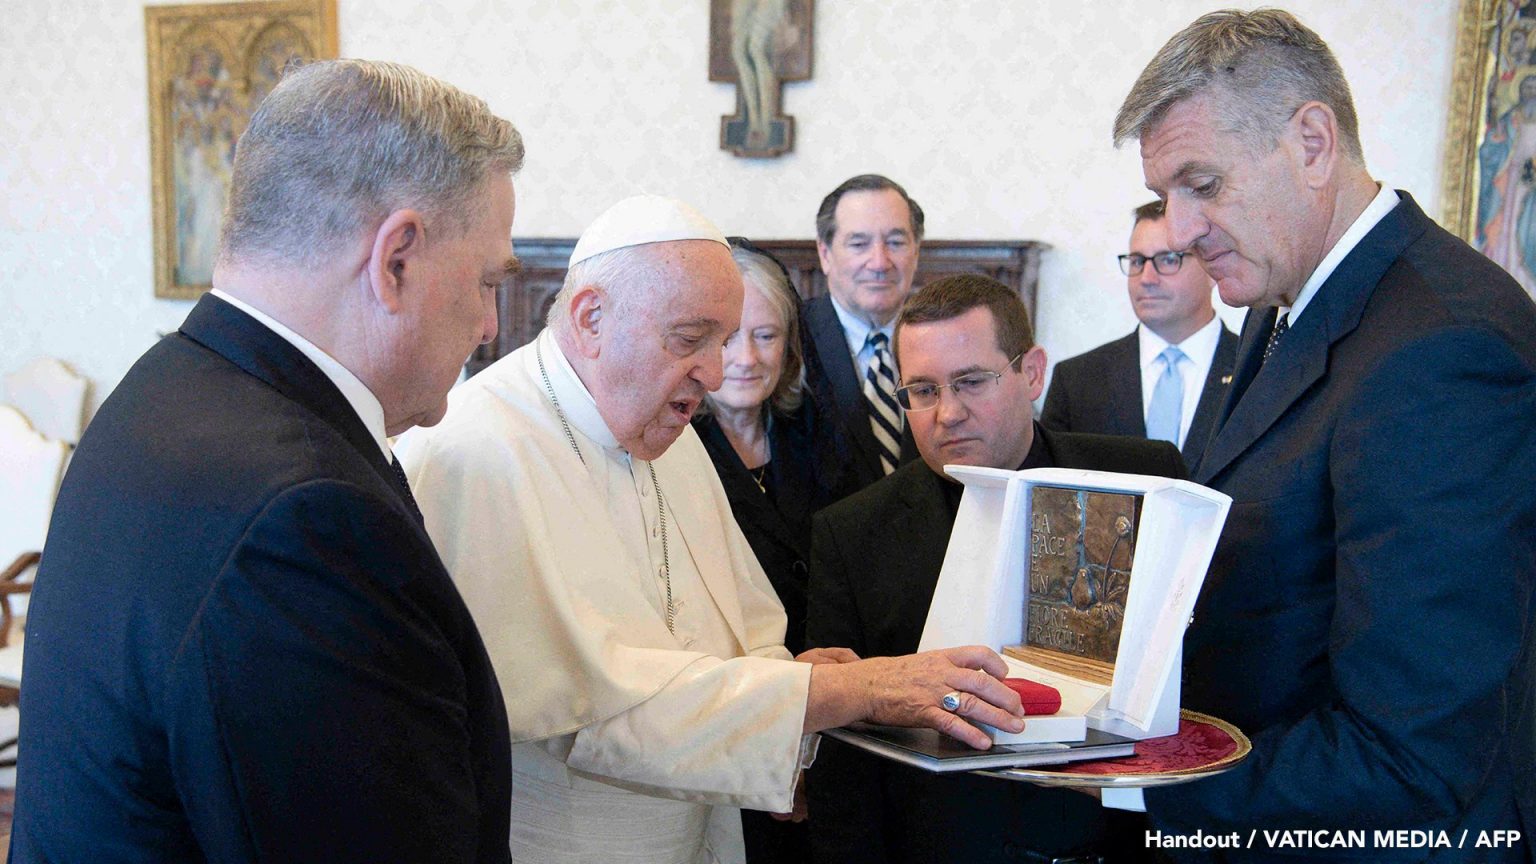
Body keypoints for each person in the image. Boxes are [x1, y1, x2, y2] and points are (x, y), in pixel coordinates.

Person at [394, 194, 1027, 864]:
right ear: (591, 318)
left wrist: (792, 692)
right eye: (690, 339)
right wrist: (851, 690)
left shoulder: (663, 427)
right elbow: (599, 716)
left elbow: (732, 633)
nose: (718, 372)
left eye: (723, 341)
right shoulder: (475, 452)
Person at [12, 60, 523, 863]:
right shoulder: (307, 519)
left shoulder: (164, 388)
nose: (490, 325)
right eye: (488, 280)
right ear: (397, 260)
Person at [1110, 9, 1536, 858]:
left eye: (1203, 184)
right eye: (1165, 198)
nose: (1180, 230)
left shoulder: (1443, 350)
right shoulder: (1284, 304)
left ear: (1311, 143)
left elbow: (1415, 756)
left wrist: (1129, 783)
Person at [805, 274, 1183, 864]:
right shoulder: (852, 534)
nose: (948, 413)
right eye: (922, 390)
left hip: (1124, 840)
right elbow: (844, 756)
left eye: (971, 382)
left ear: (1032, 372)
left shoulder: (1143, 479)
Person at [692, 237, 828, 862]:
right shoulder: (671, 446)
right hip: (730, 720)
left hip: (823, 704)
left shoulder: (817, 434)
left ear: (790, 348)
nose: (746, 358)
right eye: (728, 338)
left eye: (766, 336)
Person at [1042, 199, 1238, 474]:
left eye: (1168, 259)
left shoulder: (1257, 370)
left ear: (1211, 268)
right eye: (1137, 261)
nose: (1146, 278)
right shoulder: (1077, 381)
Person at [802, 174, 923, 497]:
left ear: (916, 252)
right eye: (859, 244)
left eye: (895, 242)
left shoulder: (945, 343)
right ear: (825, 254)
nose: (880, 262)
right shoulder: (790, 342)